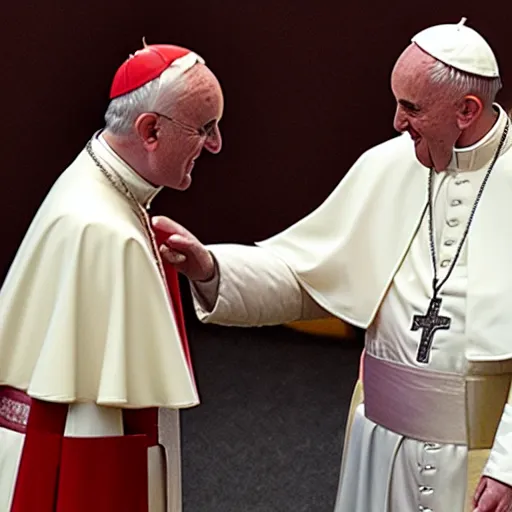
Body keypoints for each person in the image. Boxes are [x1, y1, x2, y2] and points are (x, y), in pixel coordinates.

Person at [153, 18, 512, 512]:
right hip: (379, 449)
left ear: (466, 110)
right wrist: (209, 266)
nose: (396, 122)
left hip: (478, 462)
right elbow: (305, 277)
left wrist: (508, 468)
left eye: (412, 107)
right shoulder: (387, 166)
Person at [0, 42, 223, 511]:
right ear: (150, 131)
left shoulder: (101, 183)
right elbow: (94, 434)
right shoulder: (103, 231)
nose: (215, 144)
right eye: (205, 128)